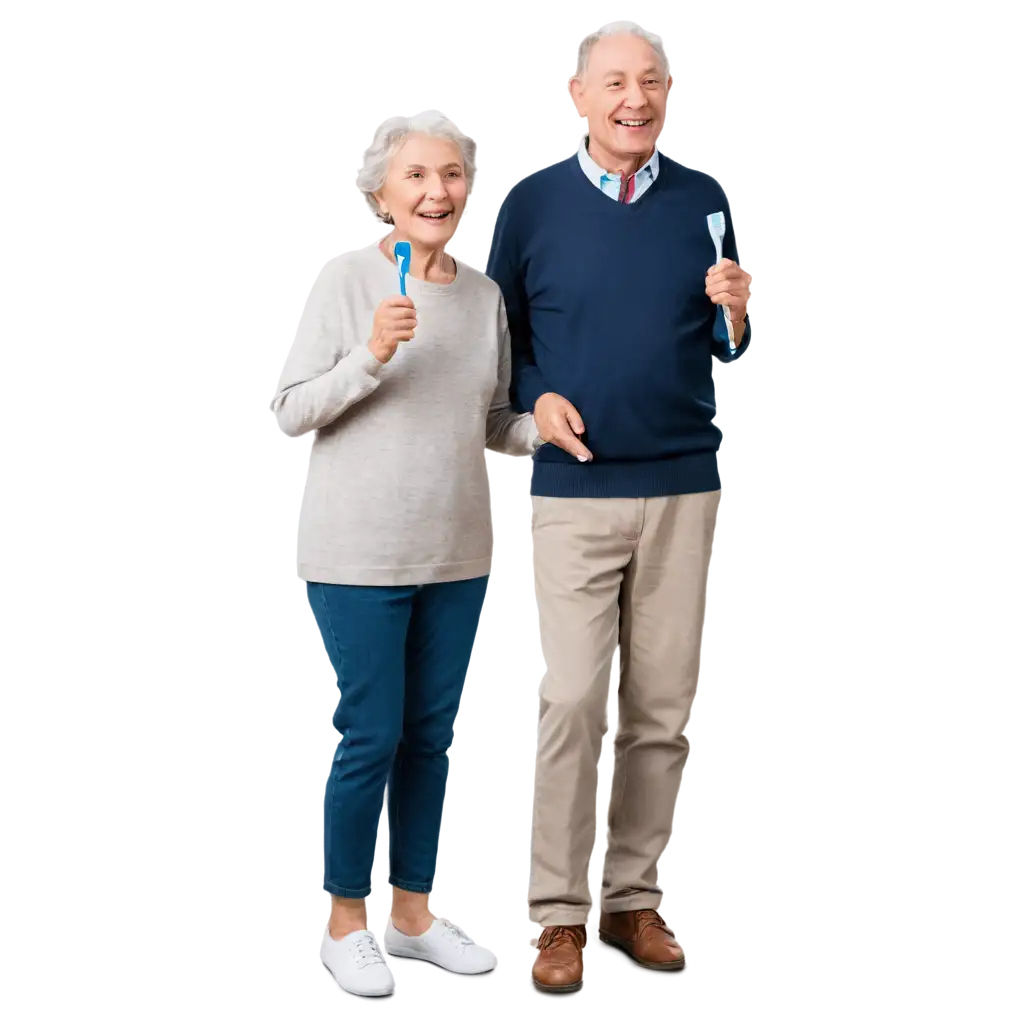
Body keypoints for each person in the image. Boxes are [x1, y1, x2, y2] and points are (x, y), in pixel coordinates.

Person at [485, 18, 754, 993]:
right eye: (613, 82)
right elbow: (495, 336)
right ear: (575, 95)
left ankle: (632, 900)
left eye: (648, 82)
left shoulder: (703, 201)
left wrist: (737, 311)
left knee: (662, 711)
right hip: (574, 492)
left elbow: (726, 343)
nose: (632, 99)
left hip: (683, 484)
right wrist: (530, 397)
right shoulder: (533, 204)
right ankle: (558, 913)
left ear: (663, 94)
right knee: (569, 703)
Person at [268, 107, 542, 999]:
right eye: (417, 176)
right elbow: (290, 409)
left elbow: (491, 420)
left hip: (456, 552)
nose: (437, 192)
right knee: (368, 738)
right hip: (358, 557)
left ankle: (414, 914)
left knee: (430, 738)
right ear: (381, 194)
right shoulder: (343, 281)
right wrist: (370, 356)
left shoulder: (485, 295)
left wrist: (541, 425)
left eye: (452, 174)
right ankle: (347, 924)